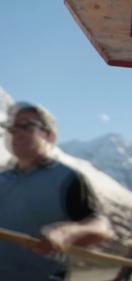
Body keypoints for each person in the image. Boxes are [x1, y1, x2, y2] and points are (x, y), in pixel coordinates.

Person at [0, 102, 113, 280]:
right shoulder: (3, 179)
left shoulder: (68, 179)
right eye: (13, 127)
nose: (17, 132)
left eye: (27, 126)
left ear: (49, 135)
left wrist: (67, 232)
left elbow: (102, 228)